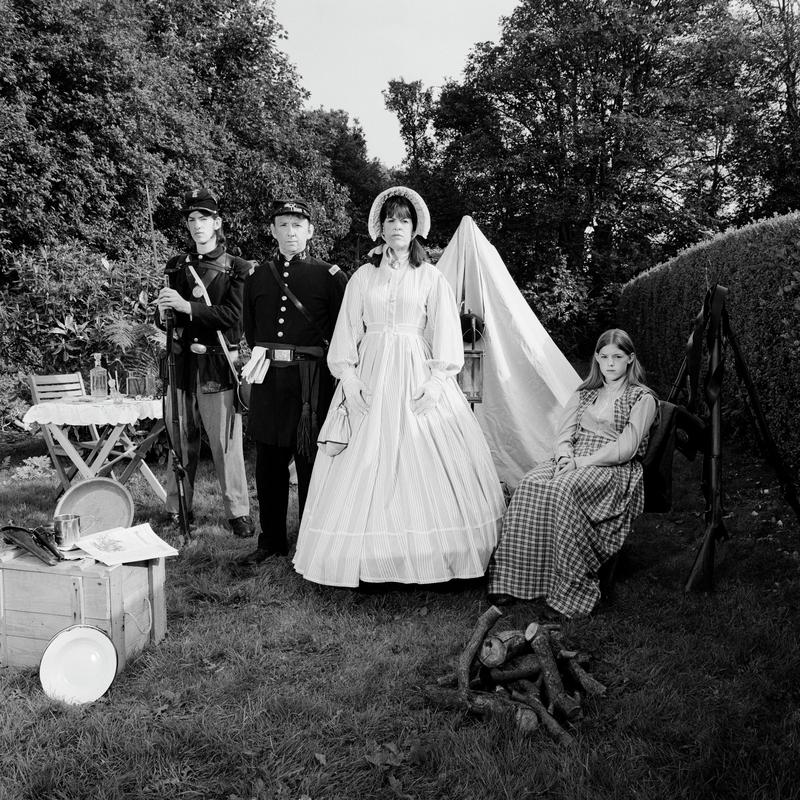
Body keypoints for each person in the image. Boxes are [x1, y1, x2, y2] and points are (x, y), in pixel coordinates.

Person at [292, 186, 506, 587]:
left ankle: (432, 555)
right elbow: (347, 331)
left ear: (415, 227)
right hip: (371, 374)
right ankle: (365, 559)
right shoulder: (362, 277)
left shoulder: (431, 277)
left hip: (415, 375)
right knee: (365, 460)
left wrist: (438, 381)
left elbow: (444, 332)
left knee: (422, 458)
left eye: (404, 220)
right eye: (390, 219)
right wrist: (349, 378)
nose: (397, 226)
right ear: (380, 226)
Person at [486, 328, 658, 617]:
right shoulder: (585, 393)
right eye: (605, 356)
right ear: (597, 358)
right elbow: (564, 433)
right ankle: (513, 578)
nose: (610, 363)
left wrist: (581, 462)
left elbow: (626, 448)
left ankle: (571, 589)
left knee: (561, 490)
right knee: (529, 484)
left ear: (630, 359)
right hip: (573, 456)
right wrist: (566, 456)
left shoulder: (641, 398)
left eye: (618, 357)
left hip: (611, 466)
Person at [237, 198, 348, 565]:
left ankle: (312, 541)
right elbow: (252, 329)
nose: (290, 232)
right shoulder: (257, 277)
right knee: (268, 463)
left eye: (297, 225)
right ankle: (271, 541)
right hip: (269, 381)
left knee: (310, 463)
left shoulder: (329, 277)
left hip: (310, 384)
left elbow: (344, 333)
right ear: (273, 230)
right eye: (283, 225)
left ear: (310, 231)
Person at [156, 188, 254, 538]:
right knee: (179, 441)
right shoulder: (176, 266)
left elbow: (233, 317)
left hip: (216, 365)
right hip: (181, 365)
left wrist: (187, 307)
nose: (197, 225)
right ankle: (177, 507)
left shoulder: (238, 268)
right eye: (191, 219)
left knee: (226, 444)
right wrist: (163, 313)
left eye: (204, 218)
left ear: (217, 222)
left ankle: (238, 512)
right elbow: (166, 321)